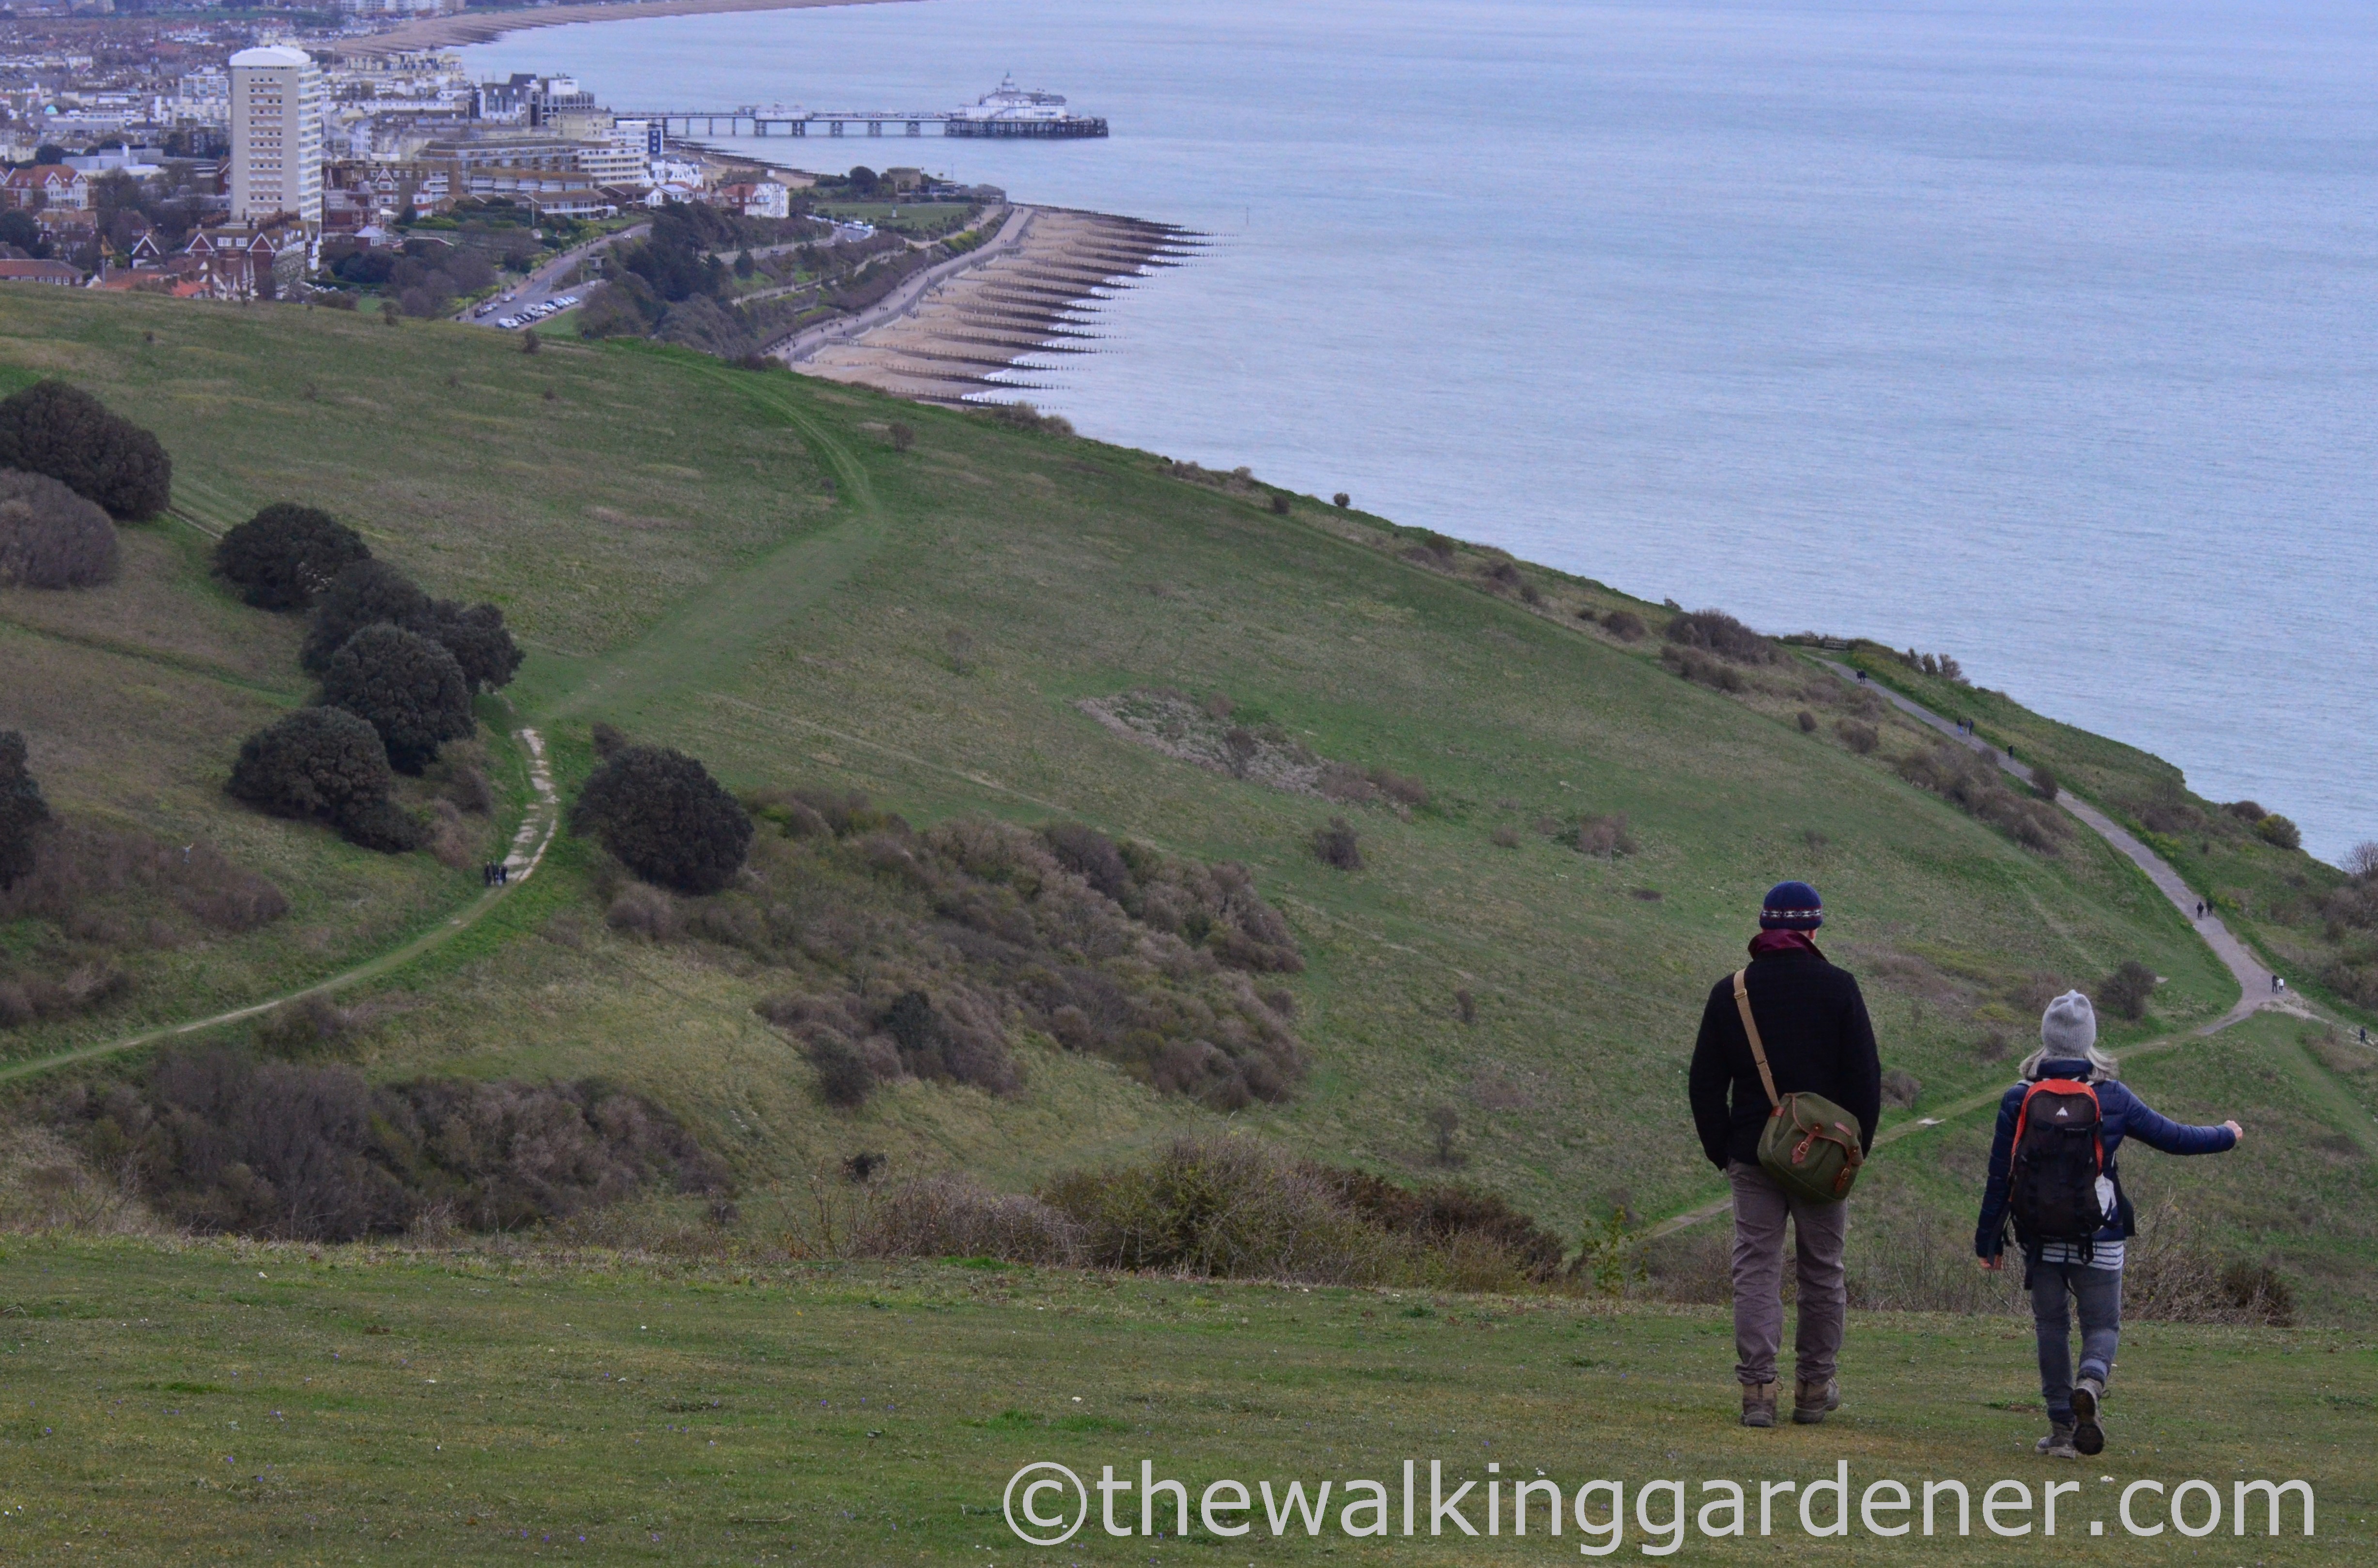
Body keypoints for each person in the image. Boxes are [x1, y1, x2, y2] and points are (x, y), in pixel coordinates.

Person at [1974, 993, 2241, 1459]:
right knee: (2102, 1324)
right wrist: (2226, 1136)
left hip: (2040, 1238)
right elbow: (2174, 1138)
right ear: (2088, 1041)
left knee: (2050, 1327)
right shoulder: (2111, 1098)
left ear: (2046, 1037)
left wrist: (1988, 1239)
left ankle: (2061, 1431)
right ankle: (2091, 1383)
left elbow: (2000, 1175)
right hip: (2101, 1235)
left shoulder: (2019, 1098)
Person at [1689, 881, 1882, 1429]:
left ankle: (1757, 1392)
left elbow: (1705, 1084)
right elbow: (1865, 1082)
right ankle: (1813, 1388)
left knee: (1755, 1266)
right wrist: (1850, 1151)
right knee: (1822, 1271)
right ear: (1812, 930)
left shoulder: (1731, 992)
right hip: (1824, 1160)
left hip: (1753, 1153)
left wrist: (1722, 1150)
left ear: (1763, 928)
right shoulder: (1839, 988)